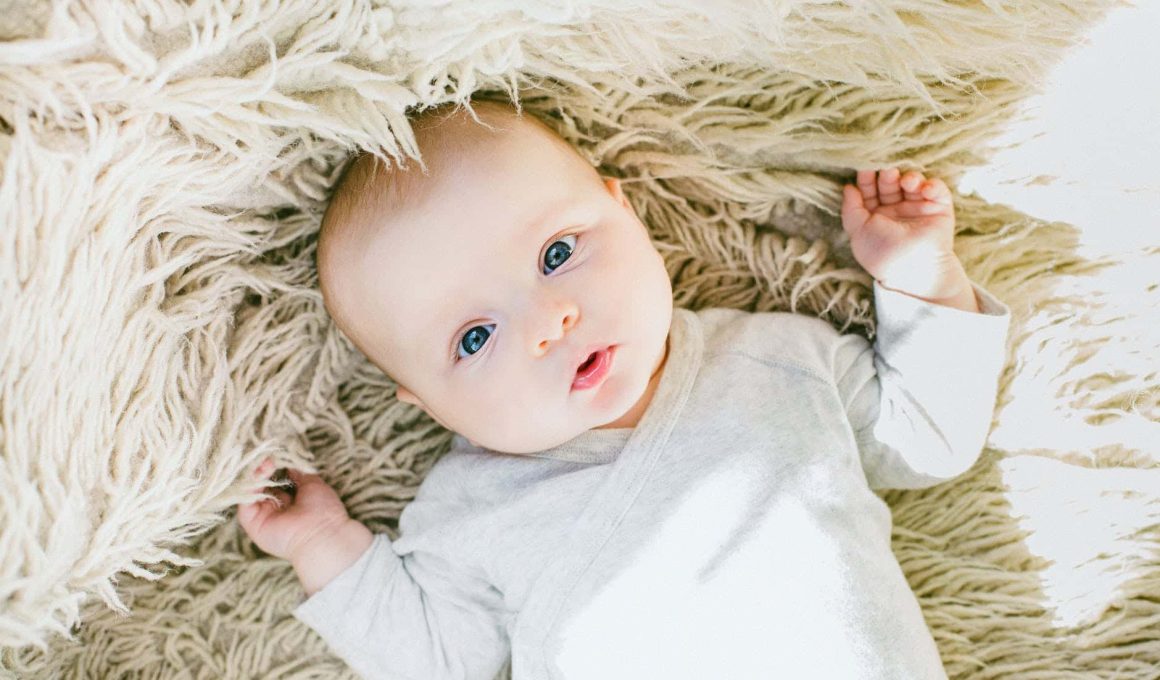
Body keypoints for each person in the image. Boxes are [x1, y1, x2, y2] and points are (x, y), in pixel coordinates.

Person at [236, 99, 1011, 679]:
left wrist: (920, 282)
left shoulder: (777, 361)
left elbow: (926, 436)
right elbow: (441, 660)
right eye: (475, 338)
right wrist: (323, 545)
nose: (550, 320)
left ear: (625, 209)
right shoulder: (469, 508)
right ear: (427, 405)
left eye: (557, 253)